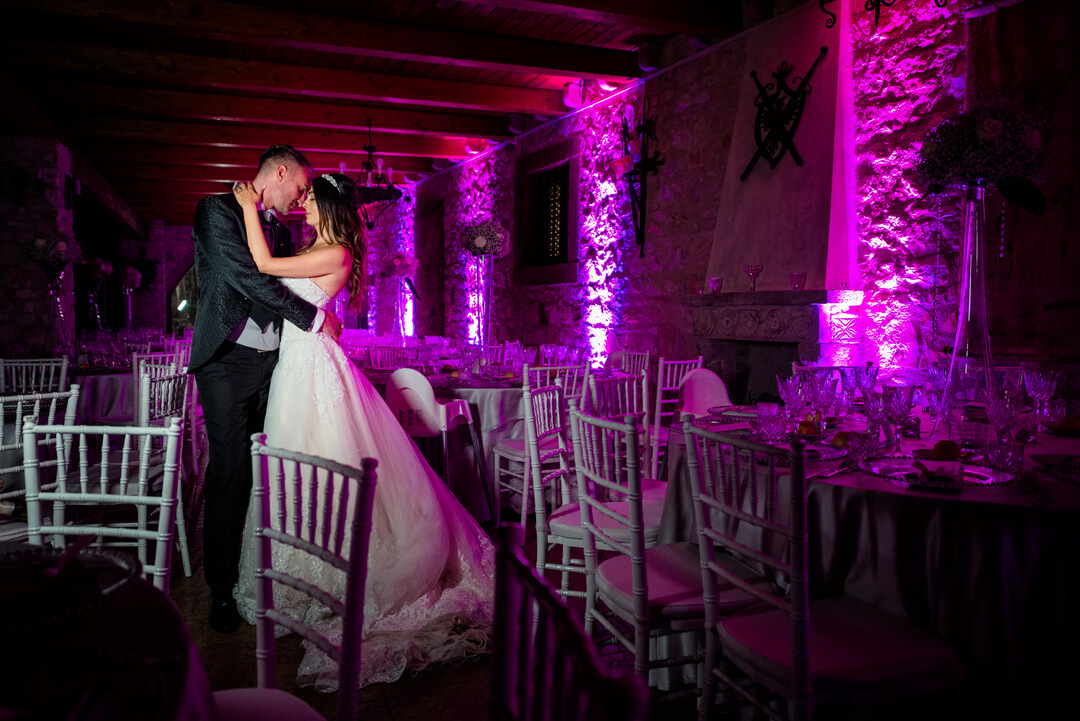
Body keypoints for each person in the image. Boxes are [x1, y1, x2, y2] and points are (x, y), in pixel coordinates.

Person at [231, 173, 494, 688]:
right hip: (298, 366)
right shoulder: (321, 247)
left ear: (327, 210)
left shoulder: (335, 254)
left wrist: (246, 206)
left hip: (314, 372)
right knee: (297, 461)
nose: (301, 209)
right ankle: (301, 567)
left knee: (330, 462)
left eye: (308, 202)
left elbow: (263, 265)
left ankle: (331, 571)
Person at [188, 145, 342, 634]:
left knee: (266, 472)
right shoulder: (217, 209)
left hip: (274, 363)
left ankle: (263, 574)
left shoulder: (275, 224)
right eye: (299, 187)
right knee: (230, 470)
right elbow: (248, 277)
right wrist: (314, 317)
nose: (300, 200)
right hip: (227, 363)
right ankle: (221, 589)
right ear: (279, 172)